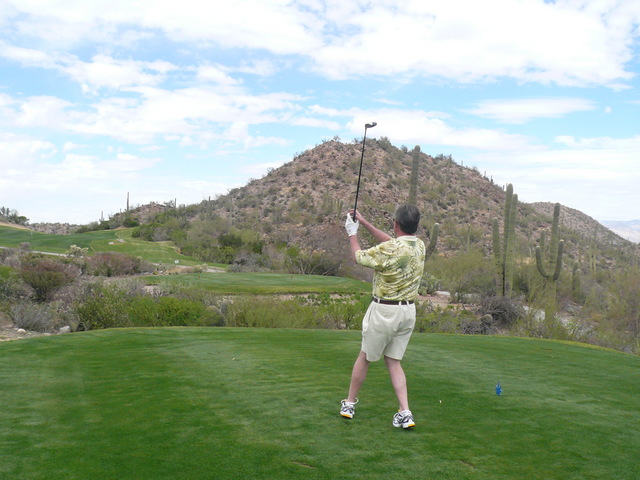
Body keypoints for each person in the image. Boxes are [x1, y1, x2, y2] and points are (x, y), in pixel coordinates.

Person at [340, 204, 426, 429]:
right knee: (394, 361)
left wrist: (352, 232)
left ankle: (349, 404)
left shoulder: (390, 250)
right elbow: (394, 243)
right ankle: (405, 412)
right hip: (407, 313)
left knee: (365, 356)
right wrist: (365, 222)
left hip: (384, 311)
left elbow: (359, 257)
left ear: (396, 224)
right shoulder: (419, 246)